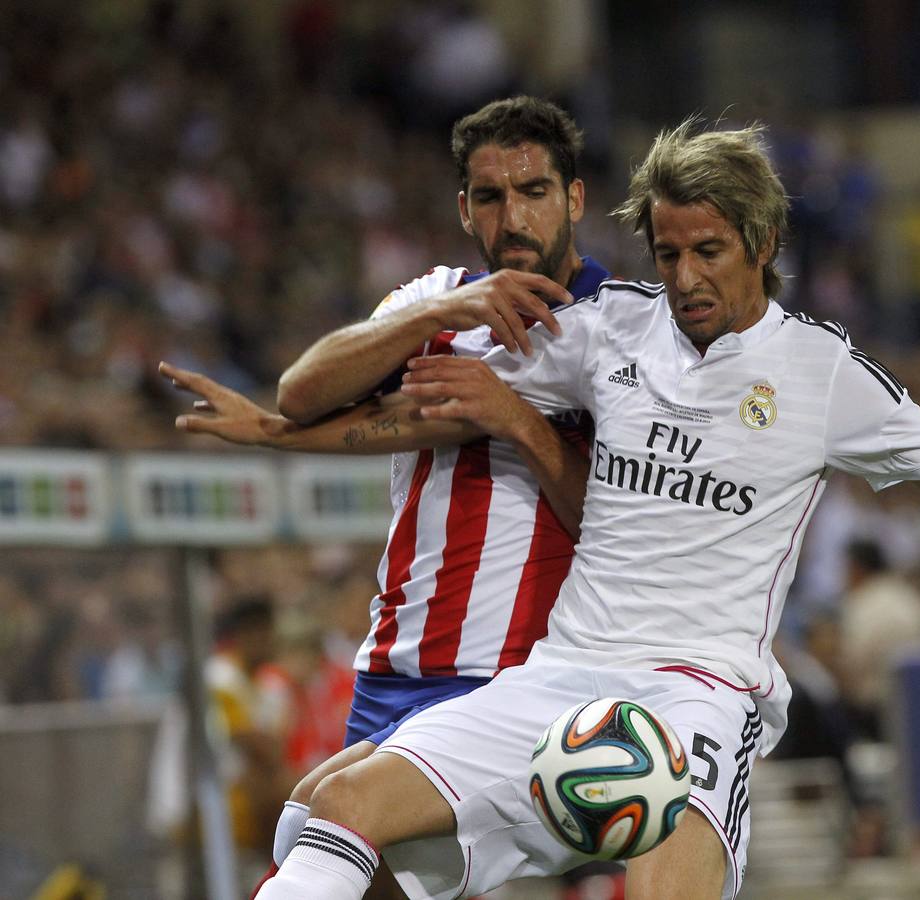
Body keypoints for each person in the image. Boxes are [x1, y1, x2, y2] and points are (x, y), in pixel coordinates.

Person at [220, 119, 920, 900]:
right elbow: (431, 419)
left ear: (762, 241)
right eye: (668, 253)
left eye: (707, 252)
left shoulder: (824, 375)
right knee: (333, 808)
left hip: (703, 696)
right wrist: (276, 435)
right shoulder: (606, 333)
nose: (683, 278)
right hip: (562, 677)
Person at [164, 95, 613, 894]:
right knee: (312, 834)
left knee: (330, 828)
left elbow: (607, 522)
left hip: (508, 673)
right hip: (397, 662)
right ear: (464, 209)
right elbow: (303, 390)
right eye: (490, 196)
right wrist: (448, 307)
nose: (513, 215)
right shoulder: (432, 300)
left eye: (534, 191)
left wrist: (514, 420)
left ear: (574, 198)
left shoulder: (620, 329)